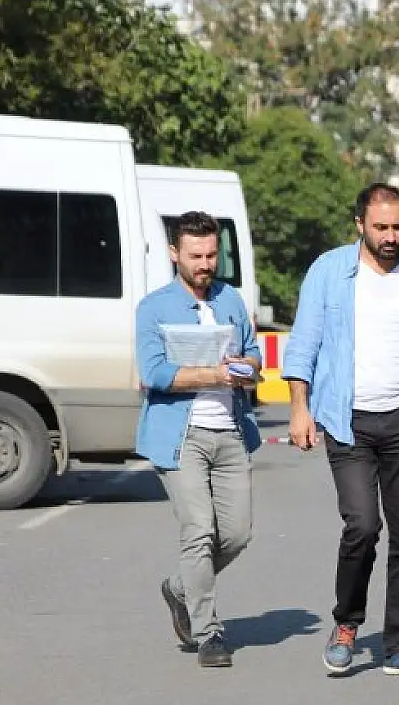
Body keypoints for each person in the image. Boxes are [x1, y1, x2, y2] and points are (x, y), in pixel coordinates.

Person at [282, 182, 399, 677]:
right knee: (362, 525)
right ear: (360, 224)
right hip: (347, 420)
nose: (390, 236)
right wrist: (299, 407)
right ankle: (346, 623)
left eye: (398, 226)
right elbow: (305, 341)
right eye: (381, 227)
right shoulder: (329, 271)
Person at [135, 210, 263, 668]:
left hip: (230, 432)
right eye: (196, 256)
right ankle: (208, 633)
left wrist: (245, 368)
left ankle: (179, 588)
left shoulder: (231, 300)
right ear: (175, 254)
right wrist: (212, 374)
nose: (205, 264)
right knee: (199, 531)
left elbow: (254, 359)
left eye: (211, 255)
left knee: (237, 533)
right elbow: (154, 373)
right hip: (180, 435)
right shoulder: (154, 308)